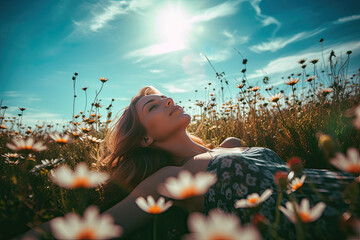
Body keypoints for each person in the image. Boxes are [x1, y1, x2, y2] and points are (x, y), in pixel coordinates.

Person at [18, 86, 358, 240]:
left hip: (338, 186)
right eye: (152, 107)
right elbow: (102, 224)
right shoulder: (171, 177)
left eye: (163, 97)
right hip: (318, 225)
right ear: (145, 139)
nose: (167, 100)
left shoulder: (232, 144)